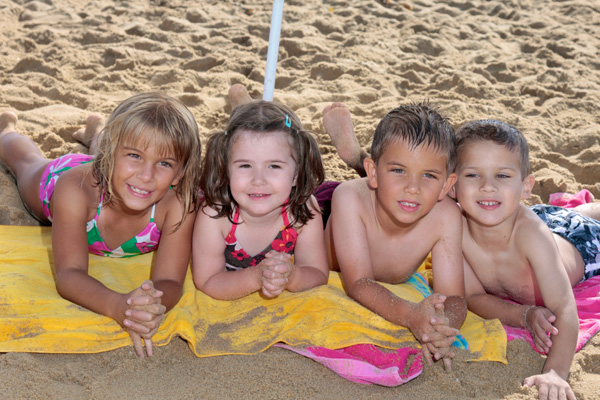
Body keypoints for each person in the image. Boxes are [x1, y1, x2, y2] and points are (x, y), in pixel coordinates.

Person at [0, 92, 202, 358]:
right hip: (67, 182)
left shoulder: (179, 204)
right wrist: (119, 305)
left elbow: (170, 281)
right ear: (111, 152)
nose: (146, 175)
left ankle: (94, 132)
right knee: (26, 162)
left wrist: (150, 305)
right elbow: (69, 274)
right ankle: (6, 129)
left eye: (164, 163)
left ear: (180, 173)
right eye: (135, 155)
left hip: (112, 174)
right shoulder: (73, 189)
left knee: (125, 177)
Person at [452, 119, 596, 400]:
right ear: (452, 184)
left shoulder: (531, 235)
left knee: (582, 219)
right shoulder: (455, 229)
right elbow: (472, 296)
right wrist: (523, 315)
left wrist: (555, 372)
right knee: (566, 214)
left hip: (581, 243)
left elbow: (565, 307)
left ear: (526, 186)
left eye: (502, 176)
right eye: (473, 175)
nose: (488, 187)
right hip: (536, 216)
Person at [322, 102, 467, 369]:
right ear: (374, 172)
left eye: (429, 175)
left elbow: (455, 298)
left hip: (381, 195)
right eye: (399, 170)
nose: (413, 187)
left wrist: (441, 328)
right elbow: (358, 283)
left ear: (447, 185)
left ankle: (362, 159)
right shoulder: (349, 198)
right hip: (326, 215)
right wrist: (412, 315)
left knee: (395, 195)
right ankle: (356, 157)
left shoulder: (446, 215)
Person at [191, 91, 329, 300]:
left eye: (274, 166)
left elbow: (317, 273)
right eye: (245, 165)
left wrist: (293, 277)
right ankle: (243, 105)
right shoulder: (214, 214)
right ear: (226, 170)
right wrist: (256, 277)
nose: (258, 180)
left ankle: (245, 105)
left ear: (296, 175)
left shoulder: (303, 211)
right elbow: (208, 281)